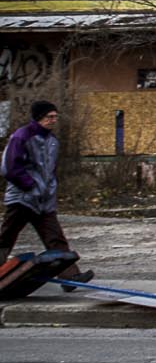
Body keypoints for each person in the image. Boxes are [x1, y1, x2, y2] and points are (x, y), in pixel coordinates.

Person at [1, 100, 94, 287]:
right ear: (39, 117)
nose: (53, 120)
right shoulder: (22, 136)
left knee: (55, 238)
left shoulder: (52, 141)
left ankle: (70, 277)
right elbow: (9, 168)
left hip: (43, 201)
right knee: (6, 238)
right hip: (22, 199)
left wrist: (49, 190)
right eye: (49, 117)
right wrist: (29, 185)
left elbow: (50, 170)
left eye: (55, 117)